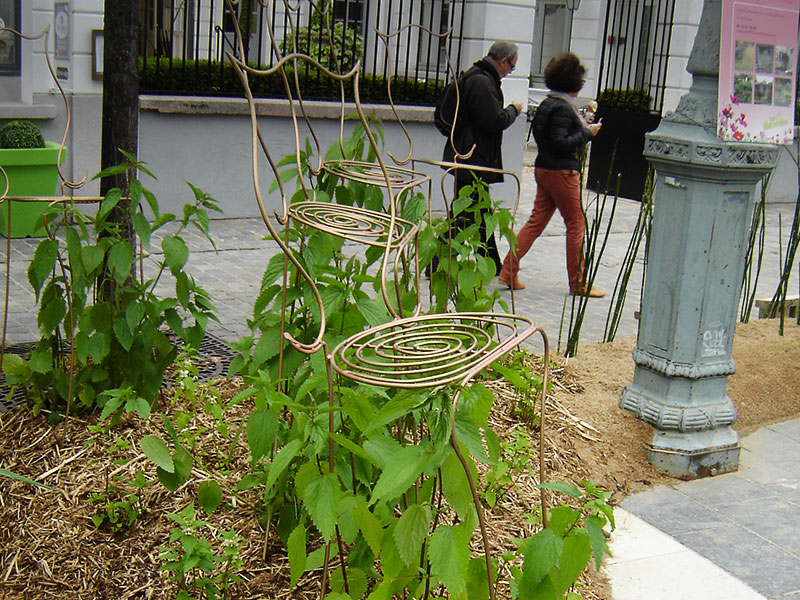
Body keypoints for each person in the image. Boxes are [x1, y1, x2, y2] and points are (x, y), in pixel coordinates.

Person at [498, 52, 605, 297]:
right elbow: (561, 142)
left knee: (536, 221)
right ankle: (578, 282)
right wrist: (588, 133)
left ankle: (508, 269)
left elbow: (545, 136)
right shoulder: (564, 108)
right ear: (574, 83)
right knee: (576, 224)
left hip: (543, 167)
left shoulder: (548, 103)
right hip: (562, 170)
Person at [442, 40, 523, 275]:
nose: (510, 71)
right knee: (467, 213)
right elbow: (494, 120)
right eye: (512, 66)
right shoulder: (482, 82)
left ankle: (492, 263)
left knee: (474, 211)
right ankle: (439, 261)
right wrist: (513, 111)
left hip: (468, 154)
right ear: (503, 60)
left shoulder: (478, 77)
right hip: (472, 157)